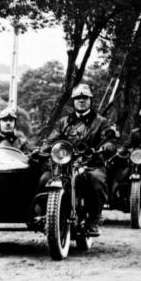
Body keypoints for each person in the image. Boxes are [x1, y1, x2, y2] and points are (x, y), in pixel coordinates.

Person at [44, 83, 117, 236]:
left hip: (91, 163)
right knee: (45, 178)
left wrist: (106, 147)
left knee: (96, 181)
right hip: (66, 164)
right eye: (78, 98)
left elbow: (109, 140)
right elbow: (53, 139)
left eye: (84, 98)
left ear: (90, 100)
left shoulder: (101, 121)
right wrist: (44, 148)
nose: (81, 101)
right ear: (73, 101)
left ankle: (93, 220)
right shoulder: (64, 122)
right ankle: (48, 215)